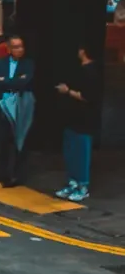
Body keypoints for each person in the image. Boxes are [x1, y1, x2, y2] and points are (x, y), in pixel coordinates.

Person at [0, 32, 35, 187]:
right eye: (15, 47)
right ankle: (1, 174)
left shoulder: (28, 64)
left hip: (19, 107)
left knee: (18, 142)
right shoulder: (0, 63)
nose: (19, 50)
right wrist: (12, 82)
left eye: (21, 47)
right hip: (2, 105)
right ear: (8, 49)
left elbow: (24, 82)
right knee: (1, 142)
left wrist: (6, 81)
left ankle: (17, 175)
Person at [56, 44, 101, 203]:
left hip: (85, 119)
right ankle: (72, 182)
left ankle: (83, 186)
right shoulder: (79, 69)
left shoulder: (91, 71)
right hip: (72, 117)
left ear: (84, 51)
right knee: (70, 150)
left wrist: (68, 91)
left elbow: (88, 96)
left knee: (82, 152)